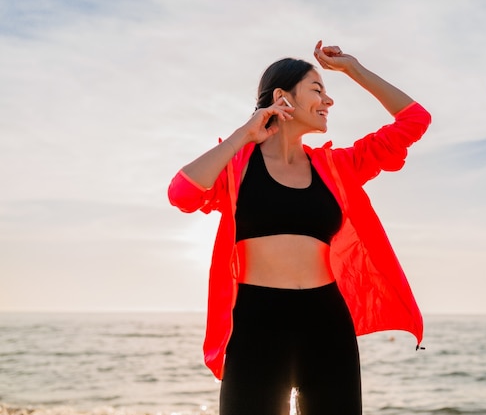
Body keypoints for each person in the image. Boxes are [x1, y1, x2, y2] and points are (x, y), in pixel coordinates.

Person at [168, 40, 431, 415]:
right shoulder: (237, 165)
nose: (329, 100)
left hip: (326, 321)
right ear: (282, 97)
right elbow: (182, 194)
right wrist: (246, 133)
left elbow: (414, 120)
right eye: (318, 89)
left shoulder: (338, 168)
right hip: (256, 323)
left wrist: (353, 68)